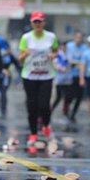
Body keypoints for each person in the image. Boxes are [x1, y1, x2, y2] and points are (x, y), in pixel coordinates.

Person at [18, 11, 59, 145]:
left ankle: (46, 125)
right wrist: (25, 54)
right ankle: (33, 133)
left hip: (46, 76)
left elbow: (55, 51)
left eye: (40, 22)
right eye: (35, 22)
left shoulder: (51, 37)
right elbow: (20, 58)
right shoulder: (26, 38)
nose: (37, 24)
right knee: (32, 106)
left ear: (44, 23)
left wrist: (53, 56)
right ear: (31, 23)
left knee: (44, 104)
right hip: (29, 76)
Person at [64, 31, 87, 123]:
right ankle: (66, 110)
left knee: (79, 97)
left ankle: (73, 114)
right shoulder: (69, 46)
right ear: (74, 37)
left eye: (80, 37)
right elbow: (67, 59)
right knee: (69, 96)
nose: (79, 39)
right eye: (77, 37)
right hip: (69, 75)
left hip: (81, 75)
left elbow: (84, 61)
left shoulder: (85, 48)